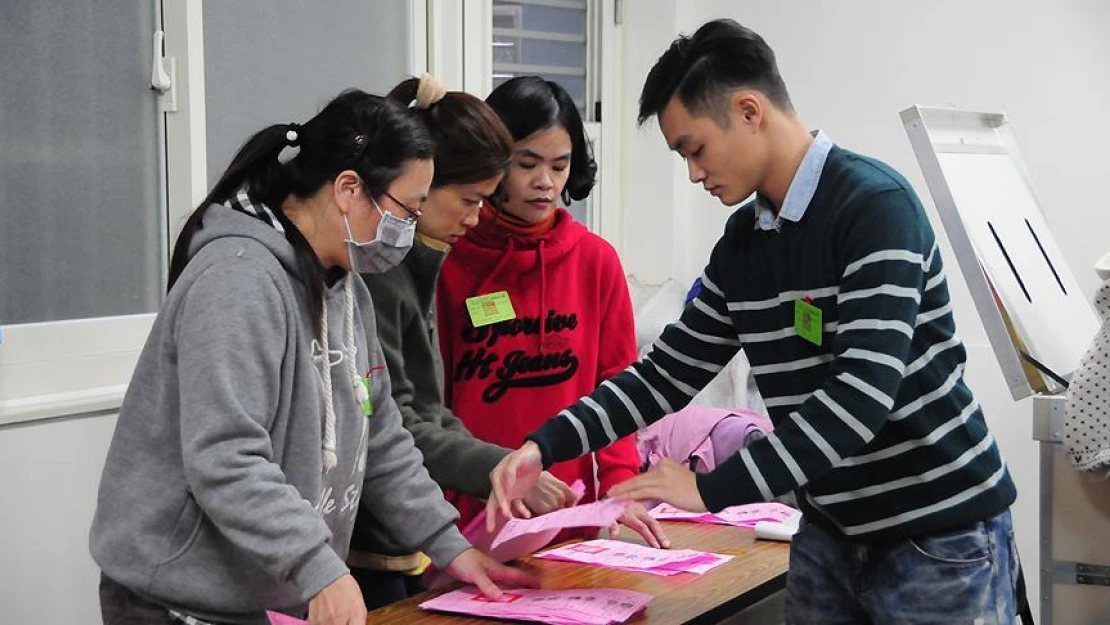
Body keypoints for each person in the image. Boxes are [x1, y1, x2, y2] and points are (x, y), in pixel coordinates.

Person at [486, 20, 1023, 624]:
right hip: (831, 529)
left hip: (936, 532)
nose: (693, 173)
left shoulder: (874, 208)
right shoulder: (744, 244)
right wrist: (547, 442)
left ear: (748, 111)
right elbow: (666, 373)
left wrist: (709, 490)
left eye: (695, 149)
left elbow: (860, 396)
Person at [89, 89, 533, 625]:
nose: (409, 231)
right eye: (405, 211)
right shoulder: (238, 281)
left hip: (262, 594)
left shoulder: (346, 286)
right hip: (177, 601)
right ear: (349, 189)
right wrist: (318, 567)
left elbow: (383, 437)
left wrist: (449, 545)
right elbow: (227, 458)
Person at [349, 74, 577, 609]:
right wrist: (496, 467)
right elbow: (397, 424)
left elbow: (427, 409)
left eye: (559, 166)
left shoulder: (419, 258)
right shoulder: (383, 270)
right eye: (470, 199)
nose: (476, 218)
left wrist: (502, 467)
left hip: (407, 535)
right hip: (368, 541)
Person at [436, 76, 669, 548]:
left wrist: (620, 488)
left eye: (560, 166)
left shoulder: (595, 261)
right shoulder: (449, 257)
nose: (545, 183)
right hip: (470, 511)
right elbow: (430, 402)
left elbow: (617, 385)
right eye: (527, 164)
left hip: (569, 508)